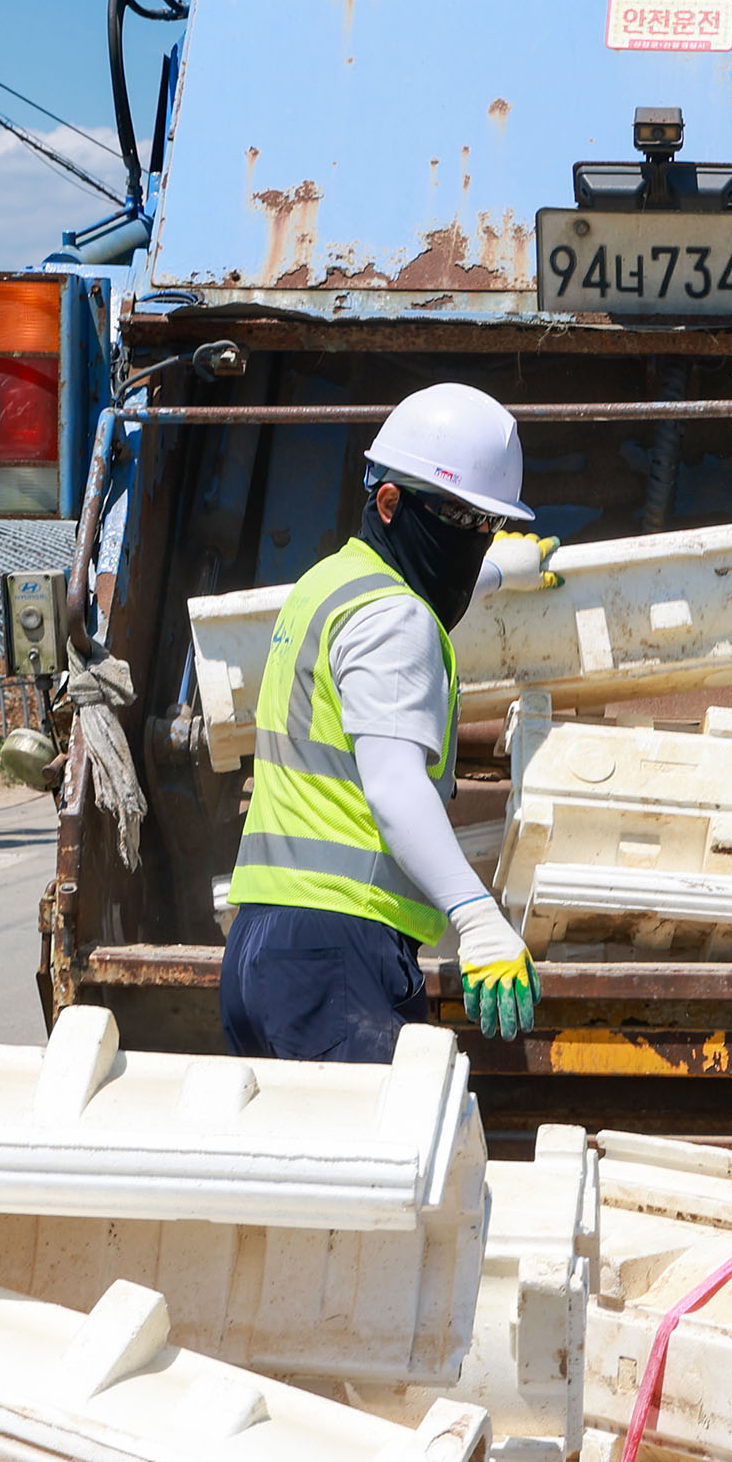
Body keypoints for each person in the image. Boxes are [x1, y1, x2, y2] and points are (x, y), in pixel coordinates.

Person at [219, 382, 563, 1063]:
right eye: (462, 523)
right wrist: (476, 917)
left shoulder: (327, 585)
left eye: (486, 525)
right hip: (338, 950)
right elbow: (394, 783)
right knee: (394, 1161)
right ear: (388, 502)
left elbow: (416, 582)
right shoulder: (396, 619)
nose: (472, 542)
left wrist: (496, 570)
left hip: (263, 946)